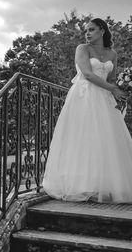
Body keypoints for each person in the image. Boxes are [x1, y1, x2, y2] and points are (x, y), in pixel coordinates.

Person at [43, 18, 132, 202]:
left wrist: (121, 93)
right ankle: (82, 186)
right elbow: (88, 74)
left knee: (105, 139)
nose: (87, 33)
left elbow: (112, 79)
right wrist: (112, 89)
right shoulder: (82, 49)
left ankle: (104, 185)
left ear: (102, 30)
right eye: (86, 31)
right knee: (83, 138)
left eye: (91, 29)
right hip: (83, 96)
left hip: (105, 99)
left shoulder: (112, 54)